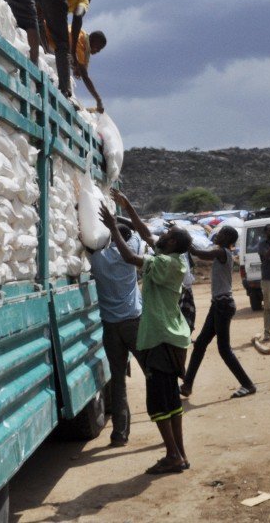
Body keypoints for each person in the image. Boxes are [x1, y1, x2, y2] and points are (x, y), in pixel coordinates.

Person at [101, 192, 192, 475]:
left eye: (168, 233)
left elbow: (129, 256)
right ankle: (179, 455)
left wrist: (113, 228)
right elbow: (144, 233)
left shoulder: (166, 264)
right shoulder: (171, 256)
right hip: (167, 337)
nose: (161, 235)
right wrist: (128, 207)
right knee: (172, 403)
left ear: (173, 242)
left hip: (160, 339)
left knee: (159, 403)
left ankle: (173, 456)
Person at [180, 226, 257, 399]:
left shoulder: (222, 252)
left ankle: (247, 384)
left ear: (228, 240)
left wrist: (185, 239)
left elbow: (199, 254)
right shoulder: (222, 252)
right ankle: (187, 385)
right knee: (200, 345)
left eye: (222, 233)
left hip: (223, 305)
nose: (217, 235)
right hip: (219, 305)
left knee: (223, 349)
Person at [88, 221, 145, 447]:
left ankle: (120, 434)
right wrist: (115, 222)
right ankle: (165, 418)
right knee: (152, 372)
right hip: (134, 324)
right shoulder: (132, 253)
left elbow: (88, 244)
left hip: (110, 328)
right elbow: (137, 231)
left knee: (118, 380)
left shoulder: (98, 259)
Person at [33, 0, 89, 95]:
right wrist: (73, 50)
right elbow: (77, 18)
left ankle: (37, 63)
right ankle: (65, 89)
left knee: (37, 22)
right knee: (62, 44)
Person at [70, 29, 106, 112]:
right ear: (92, 41)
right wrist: (98, 100)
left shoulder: (84, 45)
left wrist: (76, 67)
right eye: (98, 47)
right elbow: (85, 77)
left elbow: (82, 67)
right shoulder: (80, 42)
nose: (98, 51)